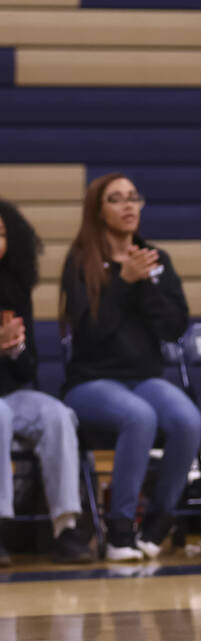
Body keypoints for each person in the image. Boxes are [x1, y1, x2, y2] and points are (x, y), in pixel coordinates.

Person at [59, 173, 201, 561]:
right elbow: (89, 335)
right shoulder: (80, 263)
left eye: (133, 198)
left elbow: (174, 327)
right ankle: (119, 528)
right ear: (98, 211)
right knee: (139, 417)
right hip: (91, 381)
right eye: (116, 199)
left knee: (188, 420)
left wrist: (143, 284)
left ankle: (159, 520)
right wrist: (122, 282)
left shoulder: (155, 260)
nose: (127, 205)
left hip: (144, 378)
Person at [0, 200, 93, 565]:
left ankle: (65, 528)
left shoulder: (14, 290)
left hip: (11, 393)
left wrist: (13, 348)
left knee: (56, 415)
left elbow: (28, 371)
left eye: (3, 233)